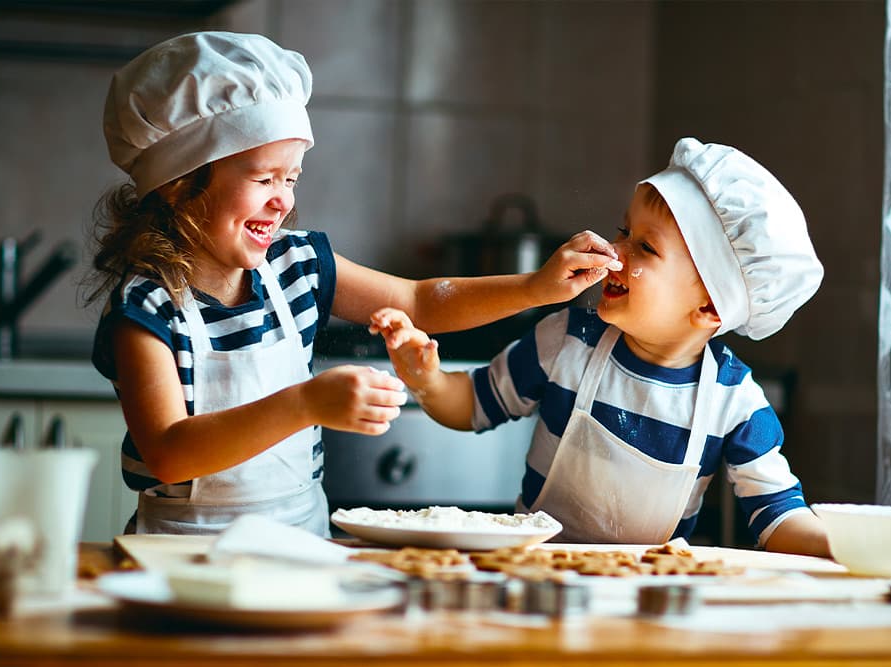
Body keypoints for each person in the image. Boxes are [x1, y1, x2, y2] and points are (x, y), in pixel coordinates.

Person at [87, 31, 622, 537]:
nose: (284, 200)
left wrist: (534, 288)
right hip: (179, 556)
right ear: (181, 185)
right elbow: (167, 451)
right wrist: (303, 404)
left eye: (291, 178)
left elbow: (419, 300)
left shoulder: (298, 265)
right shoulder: (147, 306)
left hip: (299, 544)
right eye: (264, 178)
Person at [371, 137, 831, 557]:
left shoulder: (735, 402)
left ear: (710, 305)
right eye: (623, 231)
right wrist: (426, 379)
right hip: (535, 582)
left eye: (645, 248)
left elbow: (779, 518)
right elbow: (471, 405)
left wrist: (846, 545)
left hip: (647, 600)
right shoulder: (567, 340)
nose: (615, 251)